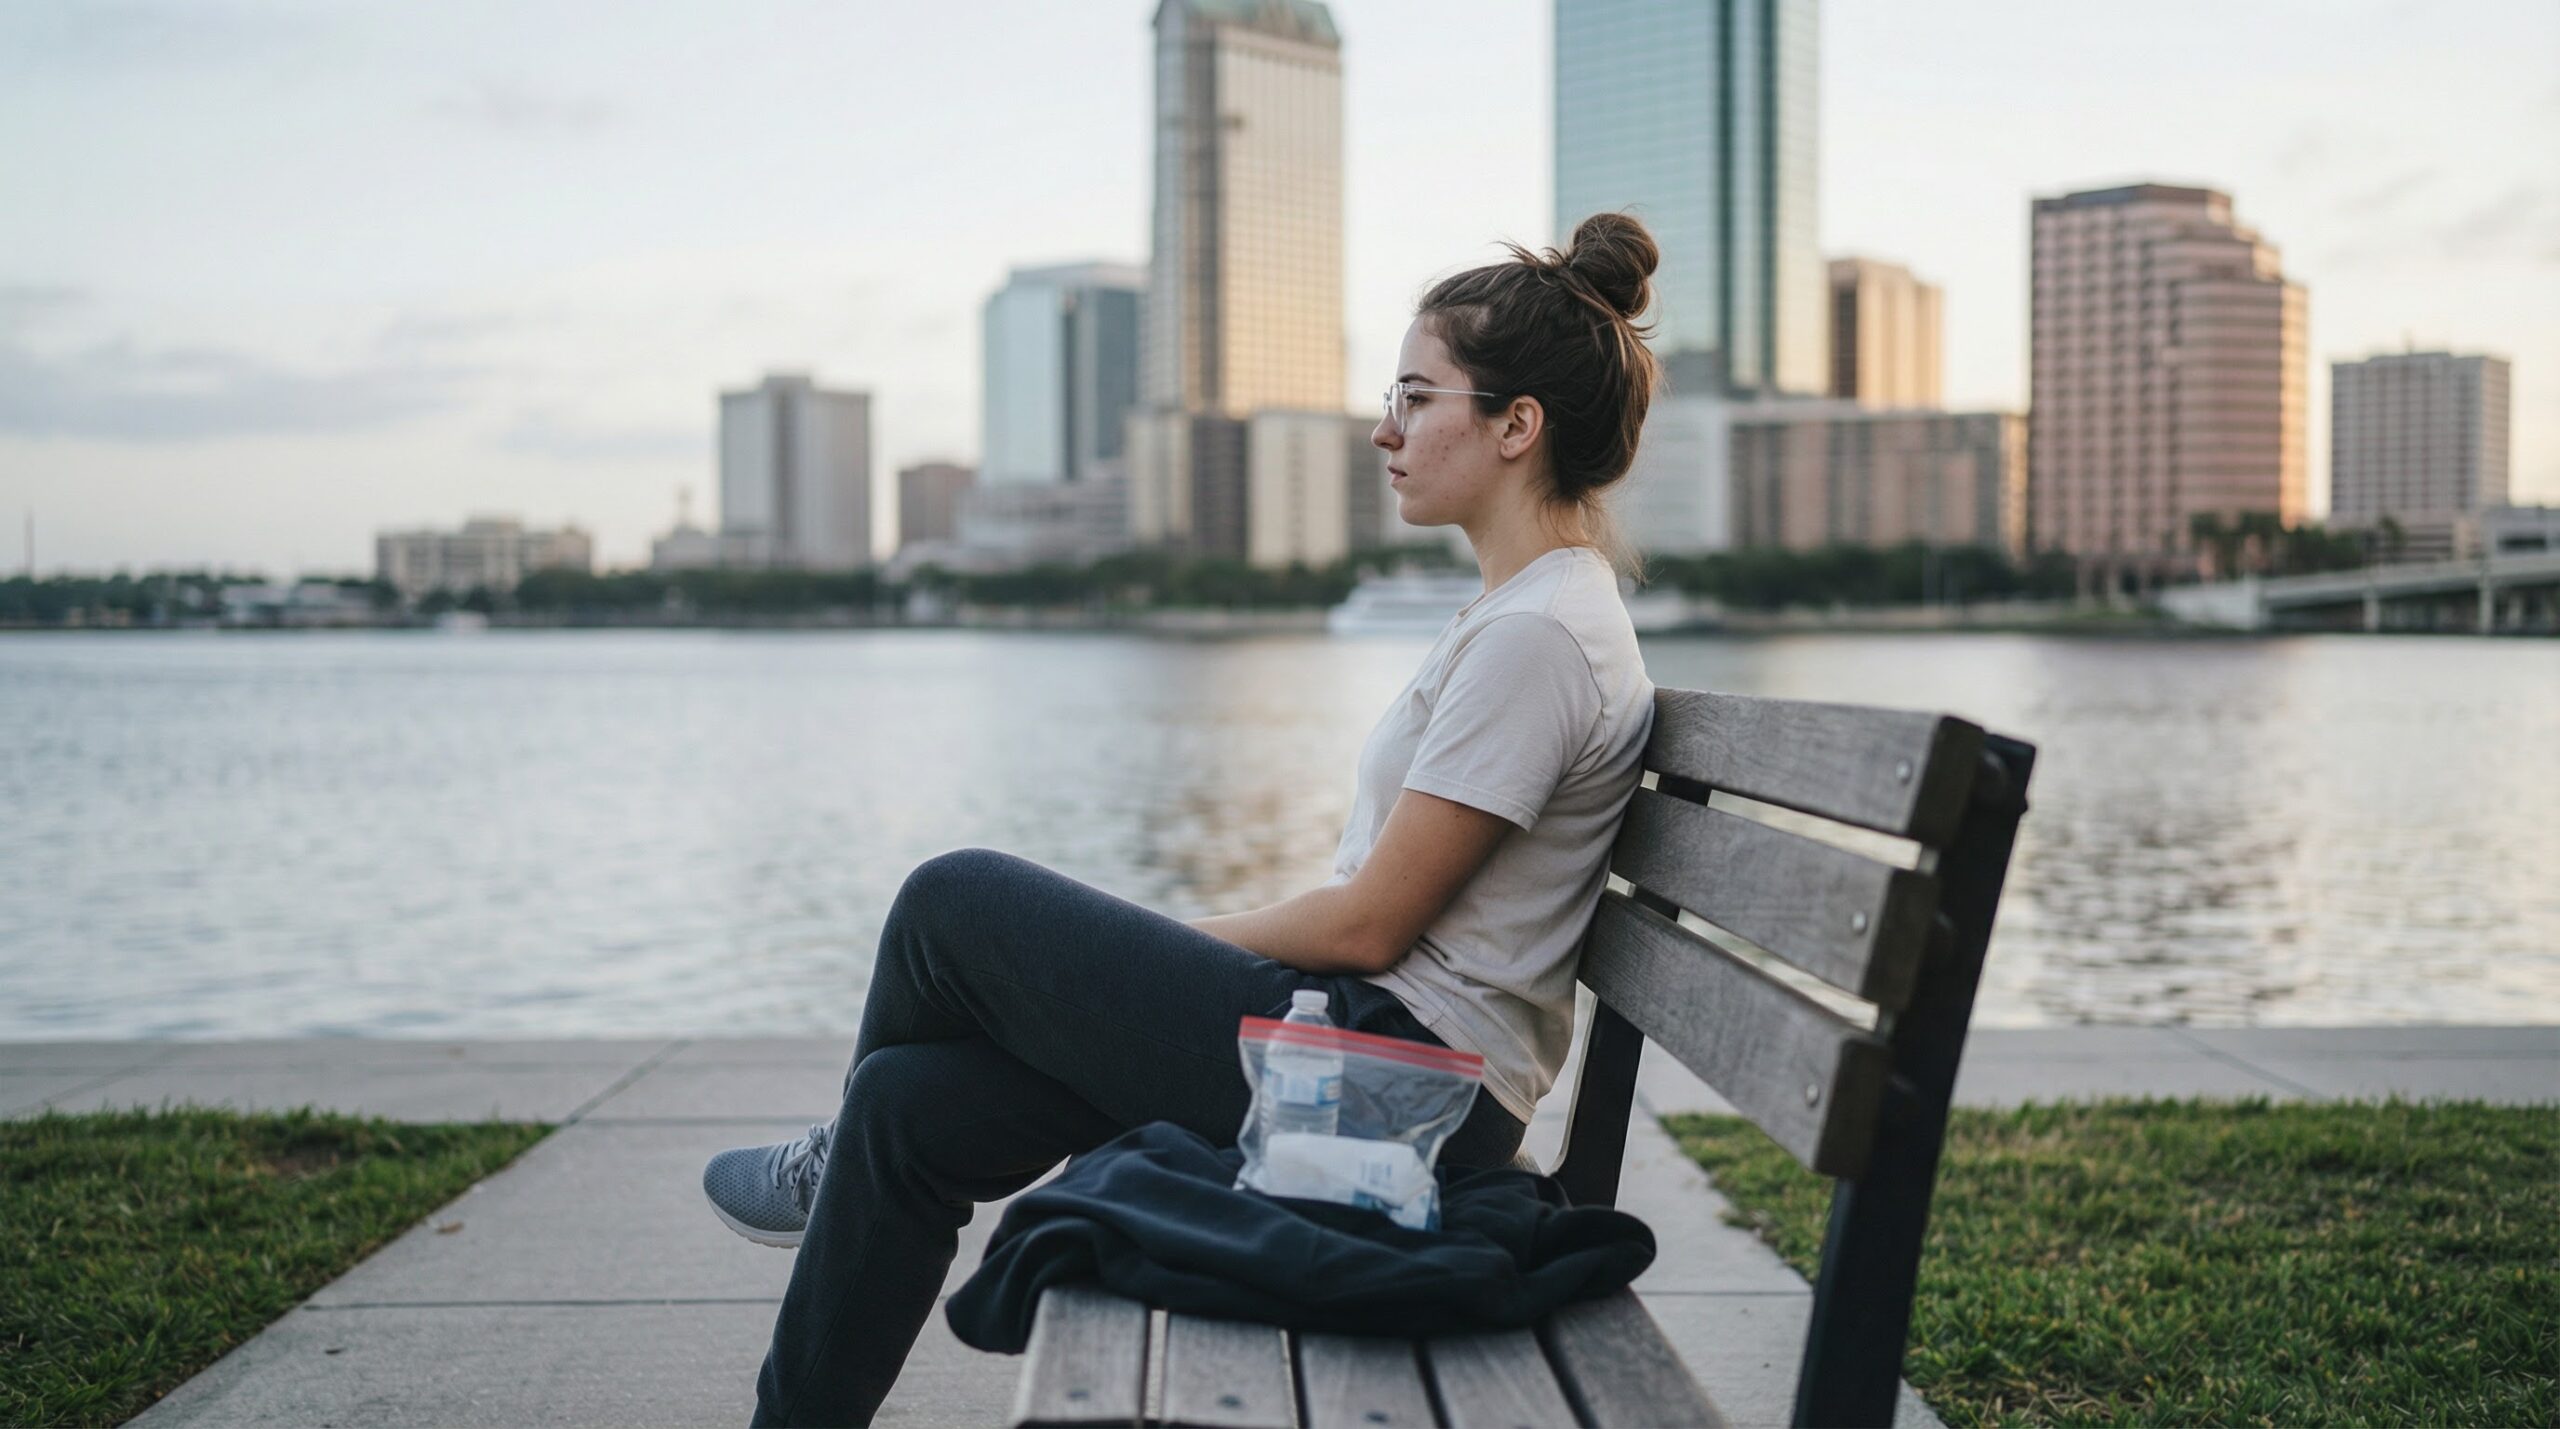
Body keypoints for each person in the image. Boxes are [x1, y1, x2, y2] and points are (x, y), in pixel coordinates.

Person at [701, 211, 1665, 1427]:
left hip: (1409, 1098)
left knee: (954, 900)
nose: (1385, 428)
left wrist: (1169, 948)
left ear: (1516, 425)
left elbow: (1371, 925)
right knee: (907, 1106)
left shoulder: (1537, 636)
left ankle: (825, 1163)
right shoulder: (1525, 613)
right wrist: (1134, 971)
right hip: (1368, 1060)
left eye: (1416, 398)